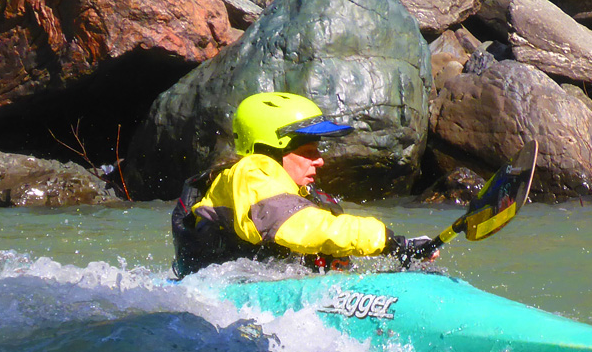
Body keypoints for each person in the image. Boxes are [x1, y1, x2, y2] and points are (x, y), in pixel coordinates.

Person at [171, 92, 436, 277]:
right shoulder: (250, 173)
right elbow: (301, 227)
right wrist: (390, 242)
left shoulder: (307, 196)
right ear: (269, 151)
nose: (320, 161)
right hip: (219, 302)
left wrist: (403, 257)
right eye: (308, 152)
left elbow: (329, 246)